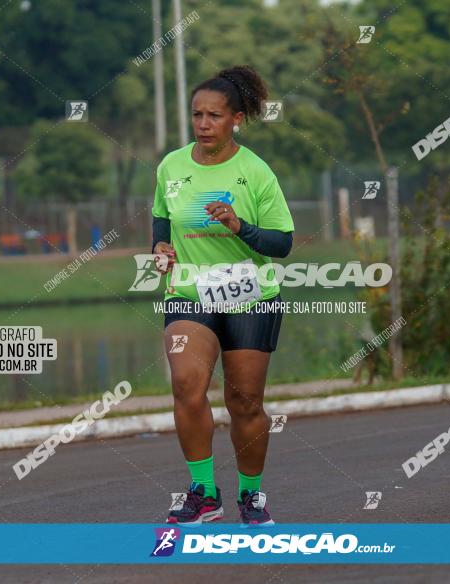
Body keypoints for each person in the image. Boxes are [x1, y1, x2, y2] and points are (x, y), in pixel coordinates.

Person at [151, 65, 295, 526]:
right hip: (190, 292)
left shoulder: (255, 171)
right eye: (197, 115)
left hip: (250, 296)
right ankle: (204, 493)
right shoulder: (172, 166)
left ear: (237, 119)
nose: (203, 125)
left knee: (245, 402)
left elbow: (282, 243)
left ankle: (250, 496)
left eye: (214, 116)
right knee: (187, 384)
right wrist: (159, 244)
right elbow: (160, 214)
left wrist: (239, 226)